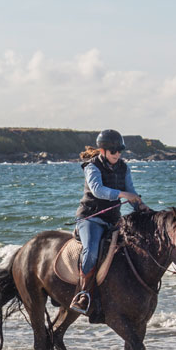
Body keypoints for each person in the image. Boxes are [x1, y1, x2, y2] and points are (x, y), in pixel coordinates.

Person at [71, 129, 149, 314]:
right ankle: (83, 293)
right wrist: (122, 194)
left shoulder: (123, 166)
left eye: (119, 151)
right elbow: (97, 190)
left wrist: (141, 206)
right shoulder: (92, 166)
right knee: (91, 251)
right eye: (113, 151)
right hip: (91, 219)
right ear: (103, 151)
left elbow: (131, 190)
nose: (117, 154)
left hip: (113, 220)